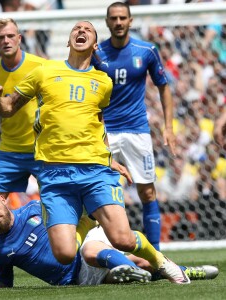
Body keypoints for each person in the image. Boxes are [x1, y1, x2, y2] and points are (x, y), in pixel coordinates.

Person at [0, 20, 190, 284]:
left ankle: (160, 261)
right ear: (68, 42)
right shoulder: (45, 71)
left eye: (87, 30)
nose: (81, 31)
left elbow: (96, 127)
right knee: (65, 254)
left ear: (93, 44)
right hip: (54, 174)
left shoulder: (103, 82)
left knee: (123, 239)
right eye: (76, 29)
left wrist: (110, 159)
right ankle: (86, 221)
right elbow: (8, 108)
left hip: (94, 170)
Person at [0, 190, 219, 288]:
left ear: (3, 199)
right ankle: (182, 272)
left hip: (87, 242)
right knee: (139, 269)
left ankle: (130, 267)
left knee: (91, 252)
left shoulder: (34, 208)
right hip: (74, 279)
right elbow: (4, 287)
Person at [91, 2, 176, 251]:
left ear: (130, 20)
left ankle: (157, 256)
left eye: (122, 18)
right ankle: (99, 251)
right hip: (104, 134)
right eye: (114, 18)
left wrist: (168, 127)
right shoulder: (97, 54)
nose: (118, 22)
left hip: (137, 130)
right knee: (99, 194)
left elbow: (164, 85)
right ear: (107, 22)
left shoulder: (146, 50)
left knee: (148, 192)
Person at [0, 18, 46, 247]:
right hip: (9, 150)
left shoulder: (39, 66)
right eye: (1, 37)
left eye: (10, 36)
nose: (6, 40)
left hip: (41, 149)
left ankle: (76, 254)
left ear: (19, 38)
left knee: (58, 202)